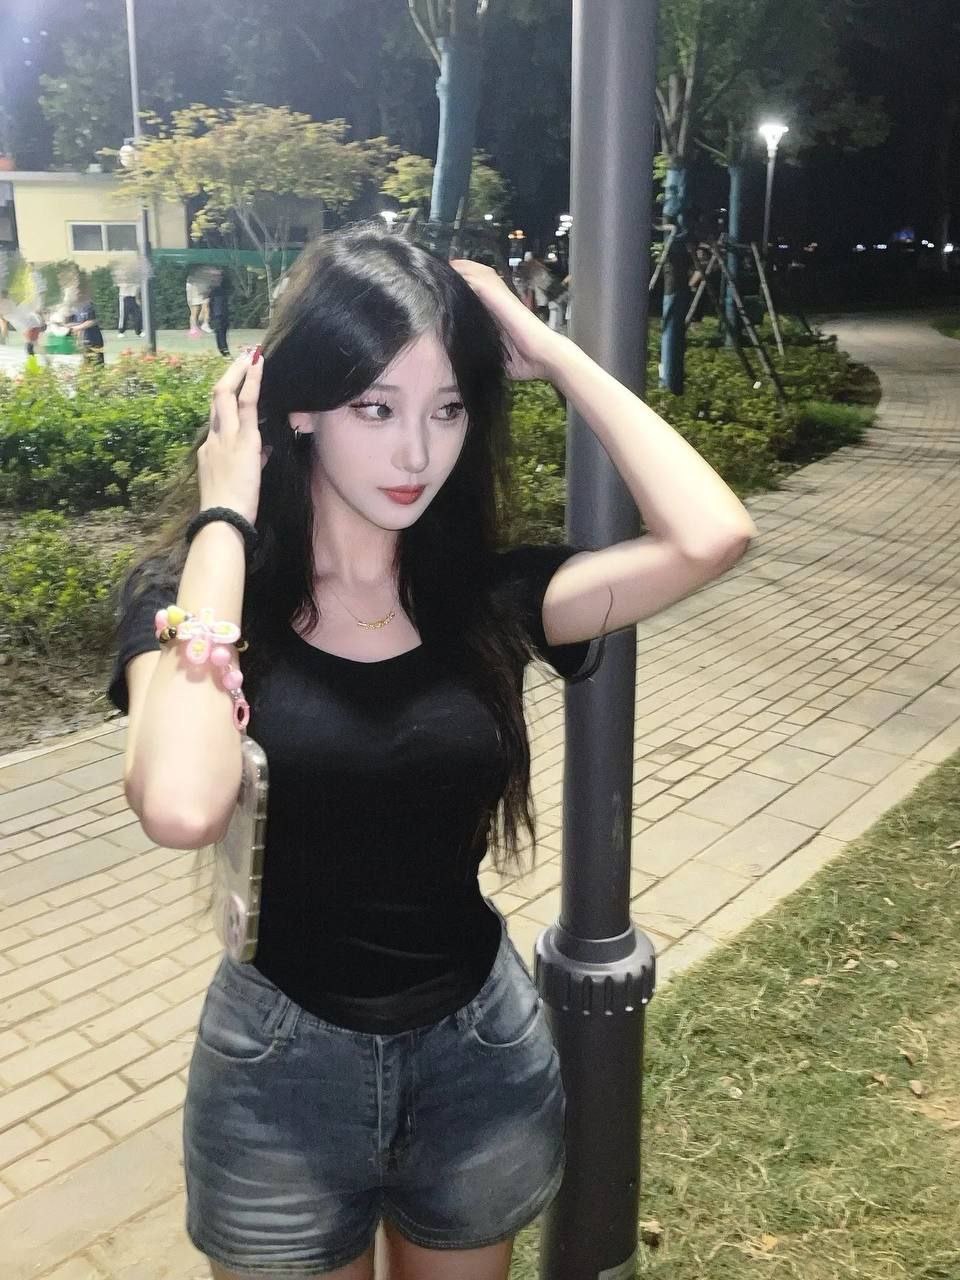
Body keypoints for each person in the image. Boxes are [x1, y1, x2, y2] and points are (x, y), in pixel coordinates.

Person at [109, 226, 756, 1280]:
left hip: (477, 1058)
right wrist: (224, 515)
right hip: (280, 1074)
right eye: (378, 408)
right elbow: (181, 804)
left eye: (447, 409)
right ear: (301, 409)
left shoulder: (486, 599)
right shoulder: (196, 605)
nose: (418, 454)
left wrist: (557, 355)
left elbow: (712, 536)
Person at [70, 289, 105, 366]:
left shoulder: (88, 305)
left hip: (93, 339)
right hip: (84, 340)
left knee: (97, 364)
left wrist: (76, 328)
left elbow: (92, 321)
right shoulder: (75, 309)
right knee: (87, 364)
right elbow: (78, 324)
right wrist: (78, 340)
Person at [207, 268, 230, 357]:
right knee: (220, 333)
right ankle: (224, 350)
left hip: (221, 315)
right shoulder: (215, 290)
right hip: (218, 315)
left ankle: (224, 350)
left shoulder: (220, 289)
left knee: (221, 333)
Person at [186, 266, 213, 336]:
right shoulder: (195, 272)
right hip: (195, 285)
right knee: (195, 309)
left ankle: (204, 324)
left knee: (206, 304)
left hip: (203, 283)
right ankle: (194, 327)